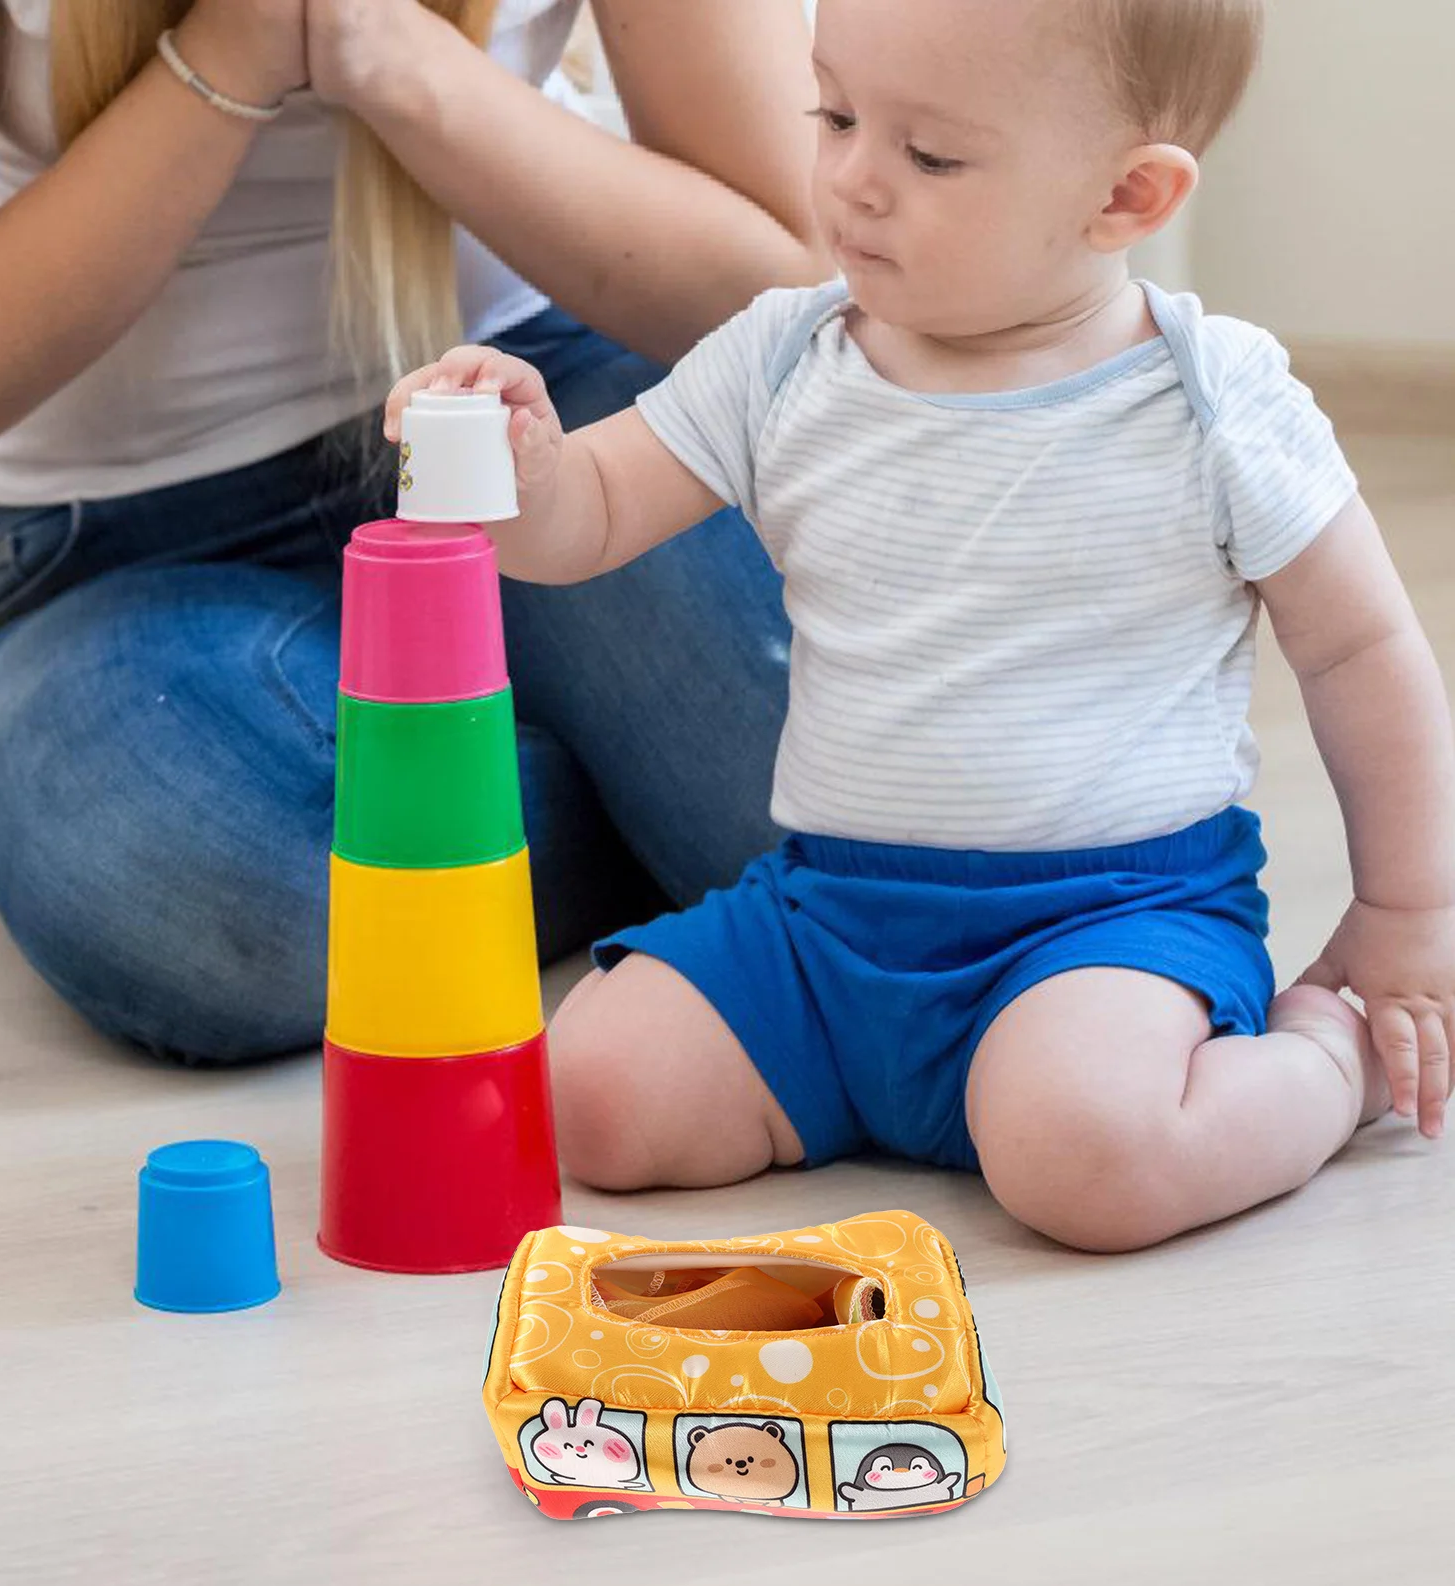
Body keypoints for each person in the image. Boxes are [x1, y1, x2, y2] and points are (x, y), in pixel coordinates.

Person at [385, 0, 1455, 1252]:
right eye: (833, 114)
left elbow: (1359, 650)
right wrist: (520, 463)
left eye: (928, 155)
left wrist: (1407, 911)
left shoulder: (1213, 401)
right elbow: (589, 520)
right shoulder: (784, 355)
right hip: (831, 922)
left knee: (1087, 1157)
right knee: (594, 1094)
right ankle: (881, 1091)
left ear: (1125, 198)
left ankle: (1326, 1072)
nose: (849, 179)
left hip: (1107, 924)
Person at [0, 0, 828, 1061]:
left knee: (845, 793)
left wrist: (382, 46)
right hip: (123, 537)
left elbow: (786, 283)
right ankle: (614, 798)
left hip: (532, 420)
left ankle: (470, 824)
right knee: (226, 898)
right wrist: (239, 48)